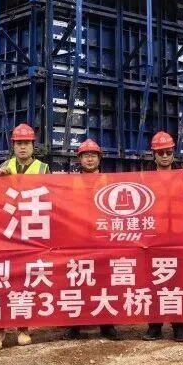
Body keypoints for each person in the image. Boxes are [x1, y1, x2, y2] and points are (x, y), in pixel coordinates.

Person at [0, 123, 44, 349]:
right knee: (0, 281)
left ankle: (23, 328)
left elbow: (53, 198)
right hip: (5, 233)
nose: (23, 147)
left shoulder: (43, 169)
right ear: (13, 146)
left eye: (26, 143)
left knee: (24, 282)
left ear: (33, 146)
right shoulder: (3, 167)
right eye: (19, 143)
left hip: (29, 233)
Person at [67, 139, 120, 341]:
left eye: (93, 155)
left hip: (103, 238)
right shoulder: (69, 183)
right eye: (86, 156)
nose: (89, 159)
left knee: (104, 280)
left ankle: (107, 324)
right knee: (77, 281)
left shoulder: (109, 181)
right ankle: (75, 324)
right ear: (79, 159)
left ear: (99, 158)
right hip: (78, 239)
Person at [143, 131, 183, 343]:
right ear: (153, 154)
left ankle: (179, 326)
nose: (164, 156)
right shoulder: (144, 179)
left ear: (173, 153)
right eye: (160, 152)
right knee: (155, 282)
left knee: (179, 282)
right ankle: (154, 326)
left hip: (179, 236)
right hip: (155, 237)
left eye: (168, 152)